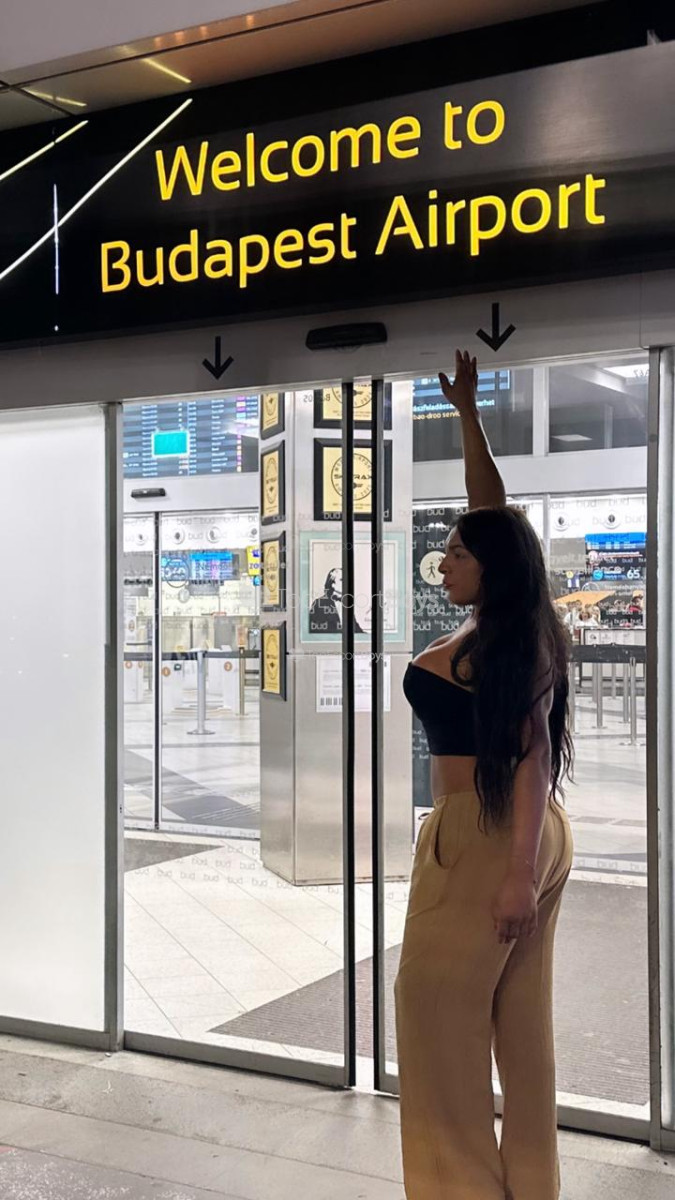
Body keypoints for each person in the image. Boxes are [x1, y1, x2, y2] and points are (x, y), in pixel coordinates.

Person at [395, 350, 575, 1200]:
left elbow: (531, 751)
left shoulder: (507, 640)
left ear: (491, 567)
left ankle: (458, 1190)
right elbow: (490, 508)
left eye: (456, 554)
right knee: (517, 1022)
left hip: (488, 829)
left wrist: (513, 874)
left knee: (431, 1012)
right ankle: (527, 1186)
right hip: (522, 831)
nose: (444, 563)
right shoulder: (514, 623)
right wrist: (467, 414)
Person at [308, 566, 364, 634]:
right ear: (332, 584)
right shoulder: (319, 603)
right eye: (342, 580)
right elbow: (316, 632)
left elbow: (356, 630)